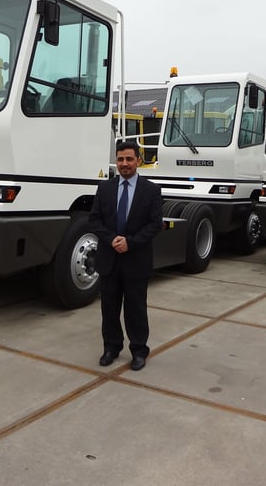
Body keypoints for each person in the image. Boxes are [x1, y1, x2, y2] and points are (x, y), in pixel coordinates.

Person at [89, 141, 162, 371]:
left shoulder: (151, 191)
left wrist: (130, 242)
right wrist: (111, 239)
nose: (124, 163)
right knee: (109, 308)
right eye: (120, 159)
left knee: (136, 309)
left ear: (138, 160)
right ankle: (111, 348)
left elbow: (154, 225)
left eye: (129, 159)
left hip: (136, 260)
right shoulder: (105, 189)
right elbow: (94, 220)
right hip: (109, 260)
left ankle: (139, 350)